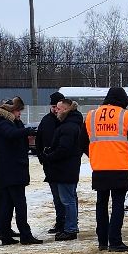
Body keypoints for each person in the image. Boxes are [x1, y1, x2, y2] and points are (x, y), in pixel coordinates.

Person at [86, 85, 128, 251]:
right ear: (123, 101)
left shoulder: (92, 116)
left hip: (99, 168)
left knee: (101, 204)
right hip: (121, 167)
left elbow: (82, 142)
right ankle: (115, 241)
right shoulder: (126, 116)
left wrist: (96, 154)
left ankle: (102, 241)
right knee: (118, 204)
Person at [0, 96, 40, 245]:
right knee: (19, 204)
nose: (19, 114)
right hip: (12, 170)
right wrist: (27, 131)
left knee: (8, 204)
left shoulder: (13, 123)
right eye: (17, 111)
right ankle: (25, 234)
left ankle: (5, 235)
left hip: (13, 170)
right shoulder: (4, 125)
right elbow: (12, 135)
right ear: (10, 112)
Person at [39, 92, 87, 241]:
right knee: (68, 198)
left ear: (65, 110)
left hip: (64, 169)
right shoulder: (69, 124)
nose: (56, 111)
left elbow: (64, 149)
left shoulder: (68, 127)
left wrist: (49, 157)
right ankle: (68, 226)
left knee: (67, 200)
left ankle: (70, 228)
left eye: (59, 108)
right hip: (65, 168)